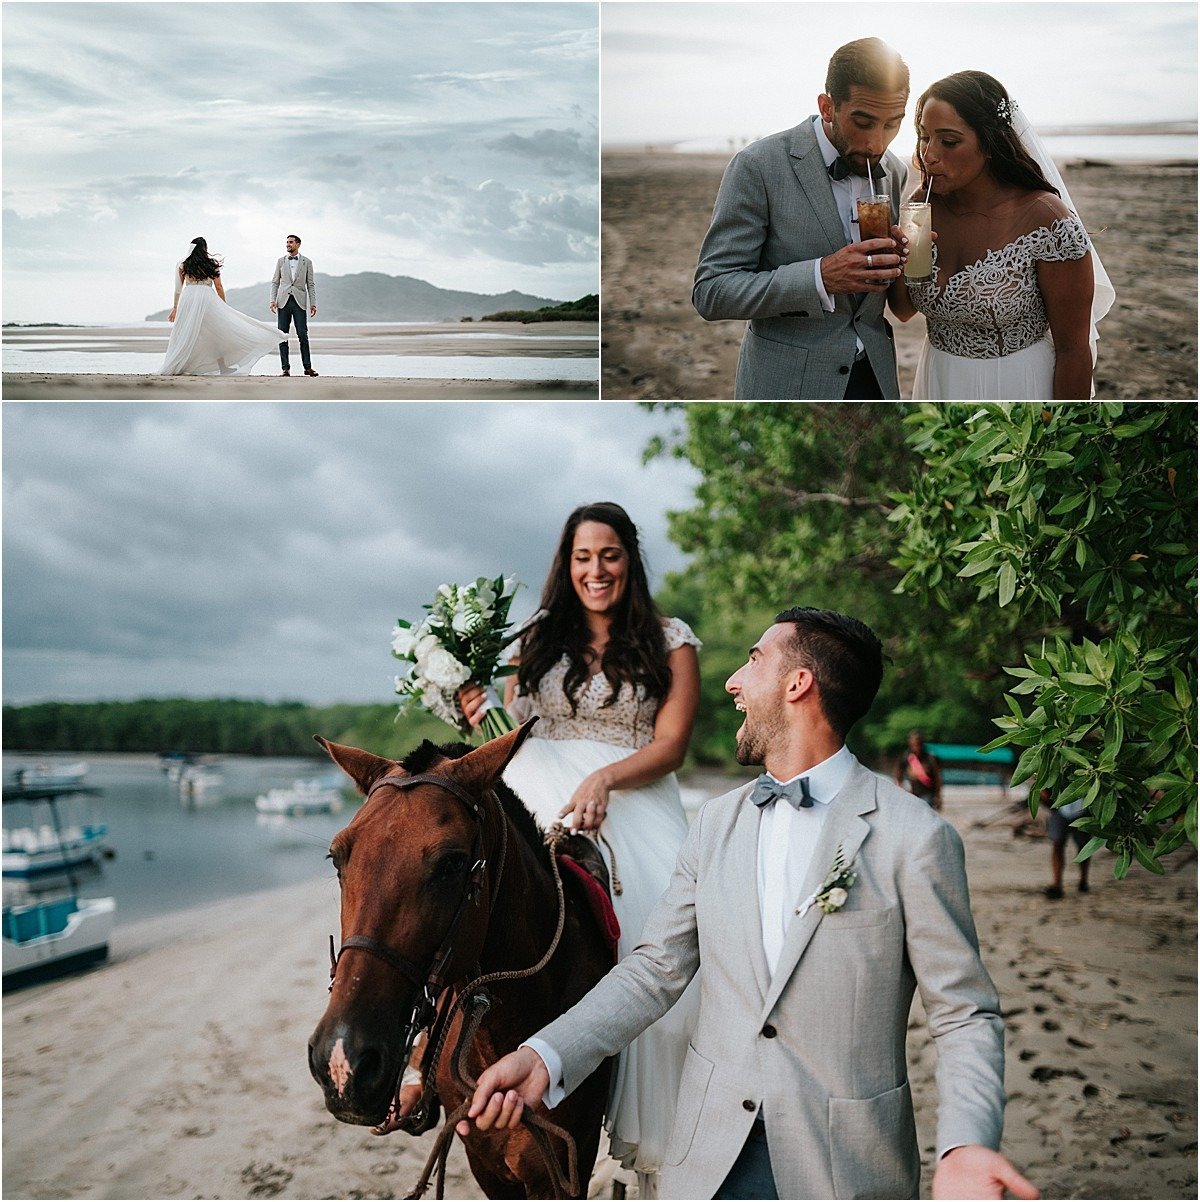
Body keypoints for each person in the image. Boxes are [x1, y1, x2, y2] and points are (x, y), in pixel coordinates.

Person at [458, 607, 1040, 1201]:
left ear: (798, 684)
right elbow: (654, 971)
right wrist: (545, 1057)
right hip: (706, 1163)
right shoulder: (714, 823)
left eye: (753, 660)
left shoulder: (915, 838)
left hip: (843, 1167)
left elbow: (964, 1012)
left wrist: (966, 1144)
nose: (733, 681)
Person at [456, 501, 700, 1196]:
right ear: (567, 565)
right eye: (583, 557)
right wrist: (481, 713)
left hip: (629, 798)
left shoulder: (670, 639)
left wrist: (604, 778)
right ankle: (427, 1067)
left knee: (662, 941)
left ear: (630, 560)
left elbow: (672, 745)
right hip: (534, 792)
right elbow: (508, 734)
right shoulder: (533, 640)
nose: (597, 570)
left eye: (611, 555)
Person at [692, 38, 914, 400]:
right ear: (827, 107)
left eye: (892, 124)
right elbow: (712, 292)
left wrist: (904, 258)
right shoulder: (758, 166)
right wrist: (820, 277)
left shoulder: (894, 171)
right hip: (789, 387)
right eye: (864, 122)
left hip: (876, 379)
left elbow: (891, 299)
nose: (877, 143)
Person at [887, 71, 1115, 399]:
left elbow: (1074, 351)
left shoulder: (1046, 220)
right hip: (938, 377)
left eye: (948, 141)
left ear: (990, 142)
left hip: (1018, 383)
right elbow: (903, 309)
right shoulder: (921, 207)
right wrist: (900, 260)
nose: (929, 154)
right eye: (924, 136)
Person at [158, 237, 289, 376]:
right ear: (205, 248)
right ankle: (223, 367)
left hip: (188, 298)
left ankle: (177, 365)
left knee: (185, 331)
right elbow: (219, 286)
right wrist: (223, 306)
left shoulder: (183, 264)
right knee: (216, 332)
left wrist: (175, 307)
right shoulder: (211, 263)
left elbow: (178, 288)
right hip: (207, 298)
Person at [270, 234, 319, 377]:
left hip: (300, 302)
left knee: (302, 335)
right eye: (287, 242)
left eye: (291, 242)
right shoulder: (280, 261)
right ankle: (285, 368)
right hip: (283, 301)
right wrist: (272, 300)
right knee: (282, 335)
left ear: (298, 244)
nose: (288, 245)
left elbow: (310, 284)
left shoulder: (307, 262)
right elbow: (275, 282)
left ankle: (307, 367)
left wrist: (313, 303)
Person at [1041, 787, 1089, 899]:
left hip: (1083, 807)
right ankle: (1057, 884)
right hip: (1059, 808)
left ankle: (1083, 880)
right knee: (1057, 844)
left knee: (1084, 847)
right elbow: (1040, 783)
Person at [894, 728, 943, 810]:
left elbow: (937, 778)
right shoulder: (906, 757)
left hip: (927, 793)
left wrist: (938, 796)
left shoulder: (930, 758)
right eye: (913, 744)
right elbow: (898, 773)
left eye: (918, 744)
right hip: (912, 793)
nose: (916, 747)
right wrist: (899, 786)